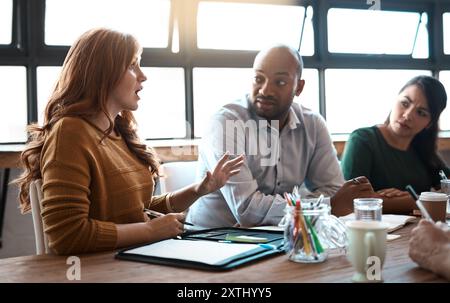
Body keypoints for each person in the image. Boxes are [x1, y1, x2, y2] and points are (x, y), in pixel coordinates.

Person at [14, 28, 244, 255]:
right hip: (97, 271)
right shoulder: (70, 132)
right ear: (103, 72)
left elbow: (134, 211)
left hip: (134, 259)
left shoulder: (119, 132)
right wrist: (150, 231)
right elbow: (67, 235)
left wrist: (199, 190)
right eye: (133, 65)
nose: (143, 75)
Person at [187, 45, 375, 228]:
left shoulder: (313, 124)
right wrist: (325, 206)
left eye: (280, 82)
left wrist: (304, 208)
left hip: (276, 238)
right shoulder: (226, 123)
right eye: (258, 79)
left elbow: (333, 188)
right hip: (212, 239)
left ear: (299, 87)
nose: (265, 91)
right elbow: (246, 209)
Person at [341, 75, 450, 214]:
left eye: (421, 113)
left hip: (417, 230)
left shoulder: (423, 150)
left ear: (429, 123)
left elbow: (447, 186)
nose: (408, 115)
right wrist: (415, 200)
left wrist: (402, 199)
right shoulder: (363, 140)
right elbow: (352, 201)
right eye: (405, 103)